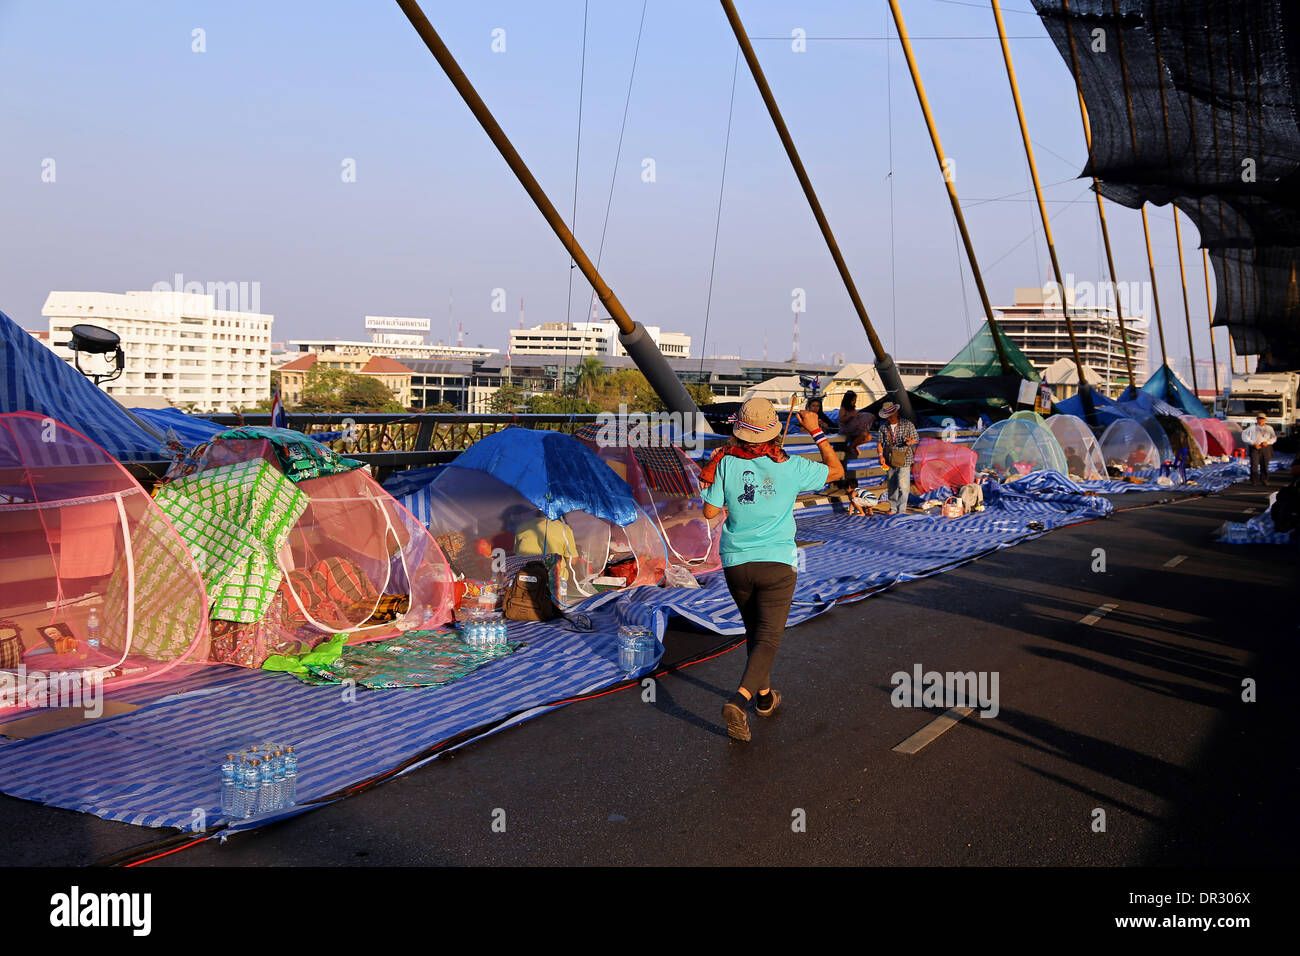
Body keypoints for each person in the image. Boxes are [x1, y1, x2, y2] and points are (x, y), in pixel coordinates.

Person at [700, 398, 844, 742]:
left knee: (756, 634)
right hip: (777, 562)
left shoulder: (725, 462)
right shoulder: (791, 465)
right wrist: (815, 431)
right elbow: (836, 472)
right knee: (768, 638)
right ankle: (739, 701)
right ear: (773, 431)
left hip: (736, 563)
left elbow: (709, 512)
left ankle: (764, 699)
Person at [876, 401, 919, 514]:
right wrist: (881, 456)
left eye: (891, 416)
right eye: (887, 417)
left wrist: (911, 442)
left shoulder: (907, 424)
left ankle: (902, 510)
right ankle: (893, 508)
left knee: (903, 486)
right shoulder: (883, 428)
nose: (889, 418)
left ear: (896, 413)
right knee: (892, 485)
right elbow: (880, 443)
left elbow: (915, 438)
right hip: (889, 459)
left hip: (904, 459)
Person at [1242, 414, 1277, 485]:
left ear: (1265, 419)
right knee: (1254, 465)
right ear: (1257, 419)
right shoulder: (1252, 427)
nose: (1261, 420)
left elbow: (1274, 438)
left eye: (1262, 419)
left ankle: (1264, 480)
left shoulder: (1269, 428)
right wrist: (1253, 443)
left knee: (1264, 464)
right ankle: (1254, 481)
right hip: (1255, 448)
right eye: (1259, 418)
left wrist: (1267, 442)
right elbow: (1245, 437)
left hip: (1265, 448)